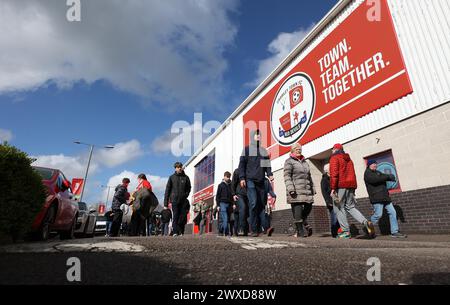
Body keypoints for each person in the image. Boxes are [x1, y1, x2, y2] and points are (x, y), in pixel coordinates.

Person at [329, 143, 375, 239]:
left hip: (340, 186)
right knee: (350, 207)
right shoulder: (349, 159)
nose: (331, 151)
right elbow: (353, 173)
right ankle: (366, 222)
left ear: (335, 149)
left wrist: (333, 188)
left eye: (332, 149)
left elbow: (334, 174)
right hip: (350, 186)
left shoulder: (334, 158)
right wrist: (353, 187)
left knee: (338, 208)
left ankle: (345, 232)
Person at [238, 129, 274, 237]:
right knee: (253, 203)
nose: (258, 137)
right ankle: (254, 230)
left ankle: (266, 228)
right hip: (250, 180)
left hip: (261, 181)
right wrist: (242, 178)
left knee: (261, 205)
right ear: (252, 137)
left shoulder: (263, 150)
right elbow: (242, 165)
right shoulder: (247, 149)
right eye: (256, 135)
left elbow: (267, 165)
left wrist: (270, 174)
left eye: (259, 135)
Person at [364, 160, 407, 238]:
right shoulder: (367, 173)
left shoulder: (378, 172)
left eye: (375, 164)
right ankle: (368, 226)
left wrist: (391, 177)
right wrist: (387, 176)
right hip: (377, 197)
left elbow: (383, 176)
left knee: (393, 212)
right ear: (369, 165)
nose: (375, 165)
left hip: (385, 197)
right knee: (378, 215)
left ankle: (394, 232)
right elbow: (375, 179)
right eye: (373, 164)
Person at [283, 143, 315, 238]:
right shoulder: (289, 161)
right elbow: (287, 176)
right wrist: (290, 188)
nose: (299, 150)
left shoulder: (305, 162)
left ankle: (302, 222)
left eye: (300, 149)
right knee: (297, 209)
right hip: (295, 190)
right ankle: (300, 232)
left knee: (308, 206)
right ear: (292, 150)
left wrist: (312, 188)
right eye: (296, 149)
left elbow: (309, 176)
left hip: (306, 190)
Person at [164, 162, 192, 237]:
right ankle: (175, 231)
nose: (179, 168)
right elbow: (167, 190)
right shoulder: (171, 177)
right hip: (174, 200)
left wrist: (186, 195)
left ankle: (181, 231)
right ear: (175, 168)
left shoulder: (186, 177)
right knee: (176, 215)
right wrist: (165, 204)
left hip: (183, 200)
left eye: (180, 167)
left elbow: (189, 187)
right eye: (178, 167)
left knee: (182, 216)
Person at [321, 164, 340, 238]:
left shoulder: (334, 178)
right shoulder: (324, 179)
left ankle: (338, 231)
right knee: (334, 217)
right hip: (330, 200)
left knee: (339, 216)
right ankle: (334, 233)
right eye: (330, 168)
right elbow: (324, 192)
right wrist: (328, 201)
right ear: (327, 170)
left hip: (337, 199)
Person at [231, 168, 249, 236]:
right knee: (242, 208)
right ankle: (240, 228)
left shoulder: (249, 170)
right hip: (239, 194)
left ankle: (244, 230)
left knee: (245, 213)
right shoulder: (237, 171)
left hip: (248, 195)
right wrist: (233, 194)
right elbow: (233, 183)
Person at [215, 171, 233, 237]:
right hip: (222, 203)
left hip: (229, 204)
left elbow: (232, 195)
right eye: (227, 177)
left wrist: (233, 204)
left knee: (226, 219)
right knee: (225, 218)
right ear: (224, 176)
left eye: (229, 177)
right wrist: (218, 205)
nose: (228, 178)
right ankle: (226, 232)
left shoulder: (231, 185)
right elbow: (217, 196)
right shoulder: (220, 185)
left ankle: (220, 230)